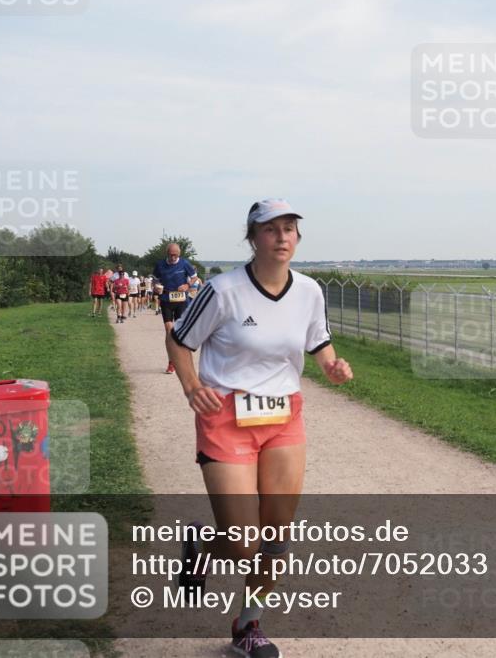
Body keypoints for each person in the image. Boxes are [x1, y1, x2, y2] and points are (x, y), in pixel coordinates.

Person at [166, 199, 352, 658]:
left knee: (275, 538)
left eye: (290, 229)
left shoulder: (309, 290)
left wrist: (331, 365)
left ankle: (248, 626)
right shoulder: (222, 290)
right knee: (244, 544)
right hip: (226, 419)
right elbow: (179, 338)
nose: (283, 237)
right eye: (271, 230)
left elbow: (318, 340)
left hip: (283, 416)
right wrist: (191, 387)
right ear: (252, 238)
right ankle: (205, 544)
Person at [153, 243, 199, 373]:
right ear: (167, 253)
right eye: (171, 255)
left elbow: (195, 277)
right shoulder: (160, 264)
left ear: (179, 254)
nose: (173, 257)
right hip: (166, 299)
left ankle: (182, 361)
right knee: (169, 330)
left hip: (181, 301)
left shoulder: (184, 263)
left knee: (180, 332)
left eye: (176, 255)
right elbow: (155, 279)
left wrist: (187, 285)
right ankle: (171, 362)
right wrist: (156, 286)